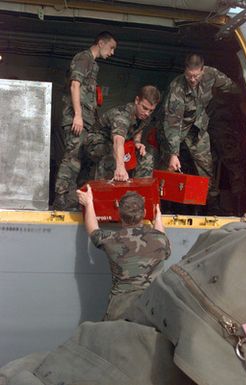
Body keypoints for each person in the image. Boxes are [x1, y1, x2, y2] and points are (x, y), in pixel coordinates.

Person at [76, 186, 171, 320]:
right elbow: (160, 235)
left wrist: (89, 203)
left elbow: (93, 231)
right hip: (153, 310)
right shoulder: (161, 240)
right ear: (144, 212)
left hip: (120, 310)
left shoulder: (112, 240)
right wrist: (158, 218)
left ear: (120, 215)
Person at [161, 53, 241, 212]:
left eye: (196, 75)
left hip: (197, 129)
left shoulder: (212, 75)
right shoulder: (177, 87)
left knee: (206, 168)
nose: (192, 79)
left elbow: (233, 88)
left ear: (203, 70)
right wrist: (173, 153)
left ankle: (211, 207)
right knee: (167, 170)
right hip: (176, 129)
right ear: (185, 71)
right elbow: (172, 123)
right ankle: (164, 208)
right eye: (189, 75)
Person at [53, 31, 117, 210]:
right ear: (101, 43)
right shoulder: (84, 58)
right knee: (72, 157)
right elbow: (75, 85)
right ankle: (61, 197)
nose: (112, 53)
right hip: (77, 119)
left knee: (80, 159)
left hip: (86, 120)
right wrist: (78, 115)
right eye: (111, 48)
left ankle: (71, 199)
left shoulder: (92, 63)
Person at [86, 85, 161, 181]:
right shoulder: (122, 116)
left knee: (146, 157)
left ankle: (138, 193)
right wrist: (120, 167)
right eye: (144, 108)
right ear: (137, 100)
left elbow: (139, 129)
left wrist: (137, 142)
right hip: (97, 141)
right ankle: (105, 191)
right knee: (111, 155)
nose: (147, 113)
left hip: (121, 143)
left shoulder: (145, 116)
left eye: (151, 110)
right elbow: (118, 141)